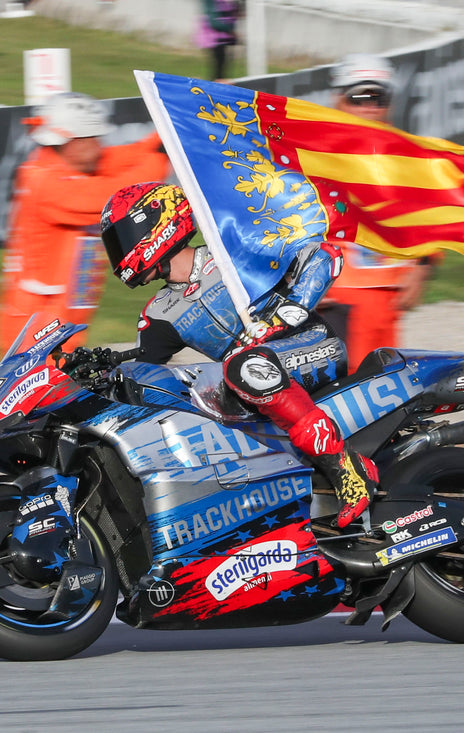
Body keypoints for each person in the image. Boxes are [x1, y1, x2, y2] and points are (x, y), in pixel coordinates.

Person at [100, 182, 379, 529]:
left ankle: (348, 470)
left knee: (242, 366)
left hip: (311, 345)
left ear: (158, 225)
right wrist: (98, 373)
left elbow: (323, 256)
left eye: (123, 237)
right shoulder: (158, 313)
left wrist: (281, 317)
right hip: (251, 379)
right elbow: (143, 370)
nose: (119, 251)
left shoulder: (232, 252)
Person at [0, 92, 171, 353]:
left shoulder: (69, 166)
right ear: (70, 141)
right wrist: (165, 154)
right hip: (34, 330)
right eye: (93, 137)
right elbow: (119, 194)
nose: (100, 145)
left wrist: (173, 125)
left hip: (57, 322)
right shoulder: (45, 183)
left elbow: (132, 154)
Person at [318, 53, 438, 373]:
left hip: (389, 299)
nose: (369, 107)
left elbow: (432, 218)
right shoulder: (313, 154)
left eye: (378, 98)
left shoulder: (409, 157)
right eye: (359, 97)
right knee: (345, 394)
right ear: (338, 100)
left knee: (384, 391)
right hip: (340, 298)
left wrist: (423, 267)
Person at [195, 0, 240, 82]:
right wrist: (229, 30)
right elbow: (214, 22)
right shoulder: (211, 3)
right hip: (214, 38)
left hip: (225, 38)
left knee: (223, 65)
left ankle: (217, 84)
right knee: (219, 66)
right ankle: (214, 86)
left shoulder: (225, 3)